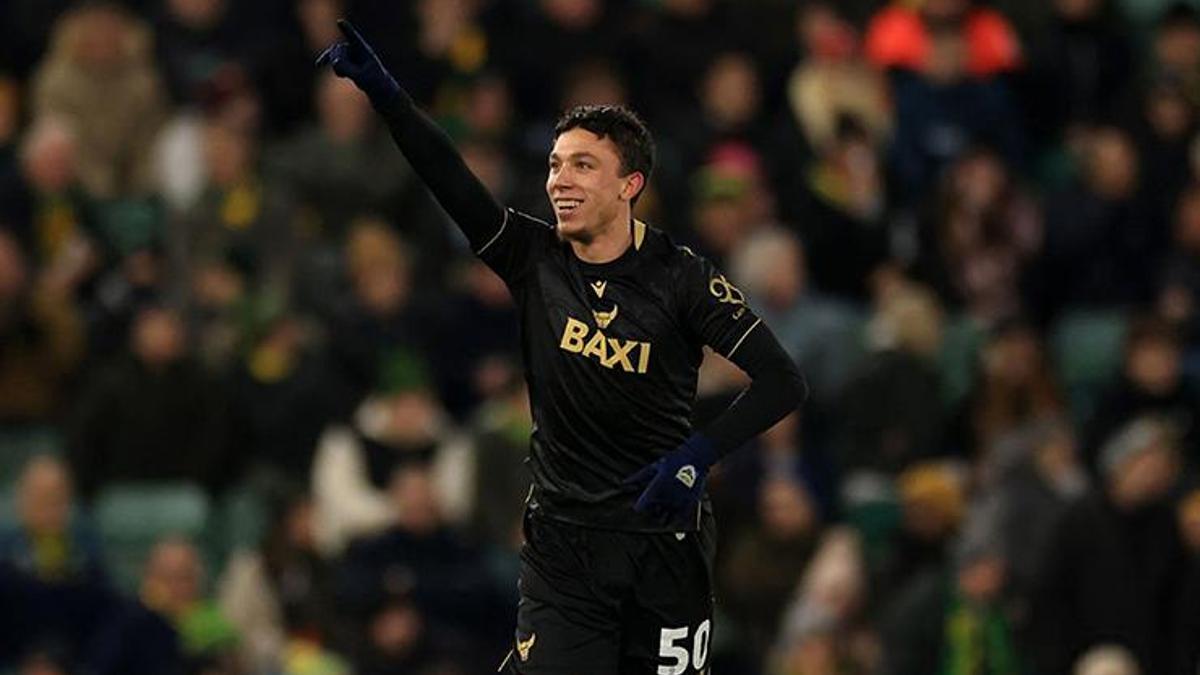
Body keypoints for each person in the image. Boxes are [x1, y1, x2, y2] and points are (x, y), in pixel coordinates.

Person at [317, 20, 807, 674]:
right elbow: (451, 181)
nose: (559, 181)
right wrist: (388, 98)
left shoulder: (682, 279)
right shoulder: (534, 257)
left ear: (630, 184)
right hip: (564, 549)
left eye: (582, 165)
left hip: (663, 546)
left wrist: (696, 455)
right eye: (554, 164)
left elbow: (782, 380)